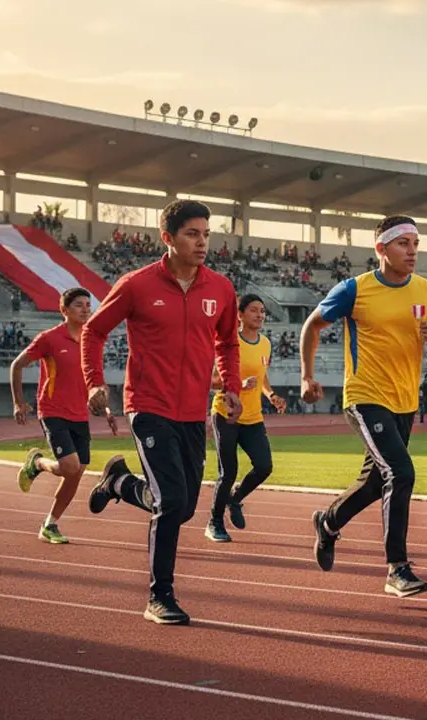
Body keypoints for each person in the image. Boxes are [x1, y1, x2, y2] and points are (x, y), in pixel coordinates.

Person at [82, 200, 242, 625]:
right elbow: (94, 330)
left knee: (184, 506)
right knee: (171, 501)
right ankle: (160, 596)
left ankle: (117, 482)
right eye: (192, 233)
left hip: (193, 412)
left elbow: (228, 342)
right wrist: (94, 382)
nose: (202, 242)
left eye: (207, 234)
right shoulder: (136, 285)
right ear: (167, 238)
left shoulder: (221, 289)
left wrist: (230, 384)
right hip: (148, 407)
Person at [301, 215, 427, 598]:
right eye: (403, 243)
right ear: (381, 248)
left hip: (405, 399)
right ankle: (397, 568)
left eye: (416, 243)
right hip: (365, 396)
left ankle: (328, 522)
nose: (412, 250)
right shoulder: (355, 290)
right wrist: (307, 376)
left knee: (373, 482)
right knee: (401, 473)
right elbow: (312, 326)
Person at [11, 287, 119, 544]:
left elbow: (96, 382)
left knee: (77, 471)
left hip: (79, 413)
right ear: (64, 310)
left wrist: (106, 409)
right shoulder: (49, 338)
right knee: (69, 466)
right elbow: (17, 365)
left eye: (88, 304)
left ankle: (50, 524)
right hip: (53, 410)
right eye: (79, 305)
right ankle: (37, 463)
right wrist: (18, 402)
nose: (85, 309)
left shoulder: (91, 342)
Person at [206, 294, 287, 543]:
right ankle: (214, 522)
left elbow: (262, 377)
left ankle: (235, 499)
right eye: (254, 310)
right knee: (227, 472)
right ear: (239, 315)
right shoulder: (227, 343)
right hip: (226, 414)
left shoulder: (265, 344)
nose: (260, 315)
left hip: (253, 417)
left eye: (262, 311)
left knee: (264, 466)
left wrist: (271, 394)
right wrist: (237, 384)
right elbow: (210, 381)